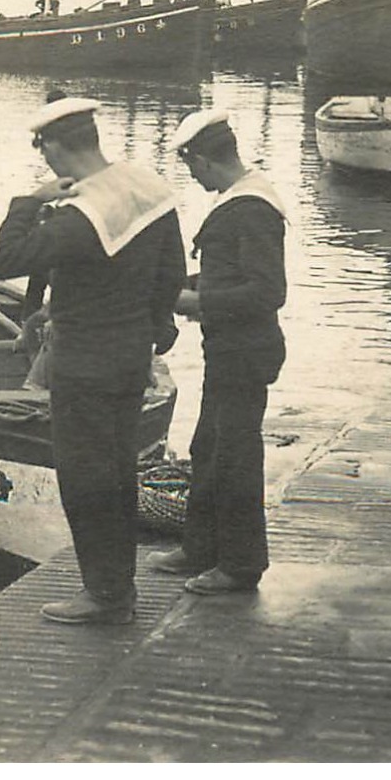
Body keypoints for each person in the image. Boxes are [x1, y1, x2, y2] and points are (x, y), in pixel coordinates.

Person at [0, 93, 185, 625]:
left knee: (85, 480)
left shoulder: (78, 216)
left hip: (81, 364)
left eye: (43, 148)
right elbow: (171, 271)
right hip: (129, 358)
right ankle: (117, 587)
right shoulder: (147, 187)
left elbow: (3, 261)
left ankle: (107, 595)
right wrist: (152, 332)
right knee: (121, 470)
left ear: (53, 150)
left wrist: (29, 200)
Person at [147, 110, 287, 597]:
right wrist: (177, 286)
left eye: (191, 166)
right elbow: (231, 274)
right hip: (228, 347)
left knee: (236, 456)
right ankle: (201, 545)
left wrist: (195, 302)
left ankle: (242, 565)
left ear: (204, 160)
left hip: (246, 350)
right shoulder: (241, 199)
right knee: (208, 446)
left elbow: (268, 291)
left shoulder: (251, 209)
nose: (191, 176)